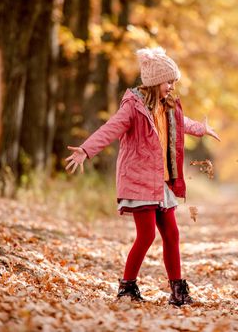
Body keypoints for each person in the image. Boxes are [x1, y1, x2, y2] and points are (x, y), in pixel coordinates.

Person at [65, 47, 220, 307]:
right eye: (169, 81)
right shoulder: (132, 108)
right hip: (138, 181)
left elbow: (183, 123)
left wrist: (202, 129)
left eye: (173, 82)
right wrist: (86, 149)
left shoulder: (168, 106)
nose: (172, 86)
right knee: (146, 235)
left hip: (161, 183)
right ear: (155, 81)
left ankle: (178, 291)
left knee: (172, 234)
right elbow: (110, 129)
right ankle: (127, 287)